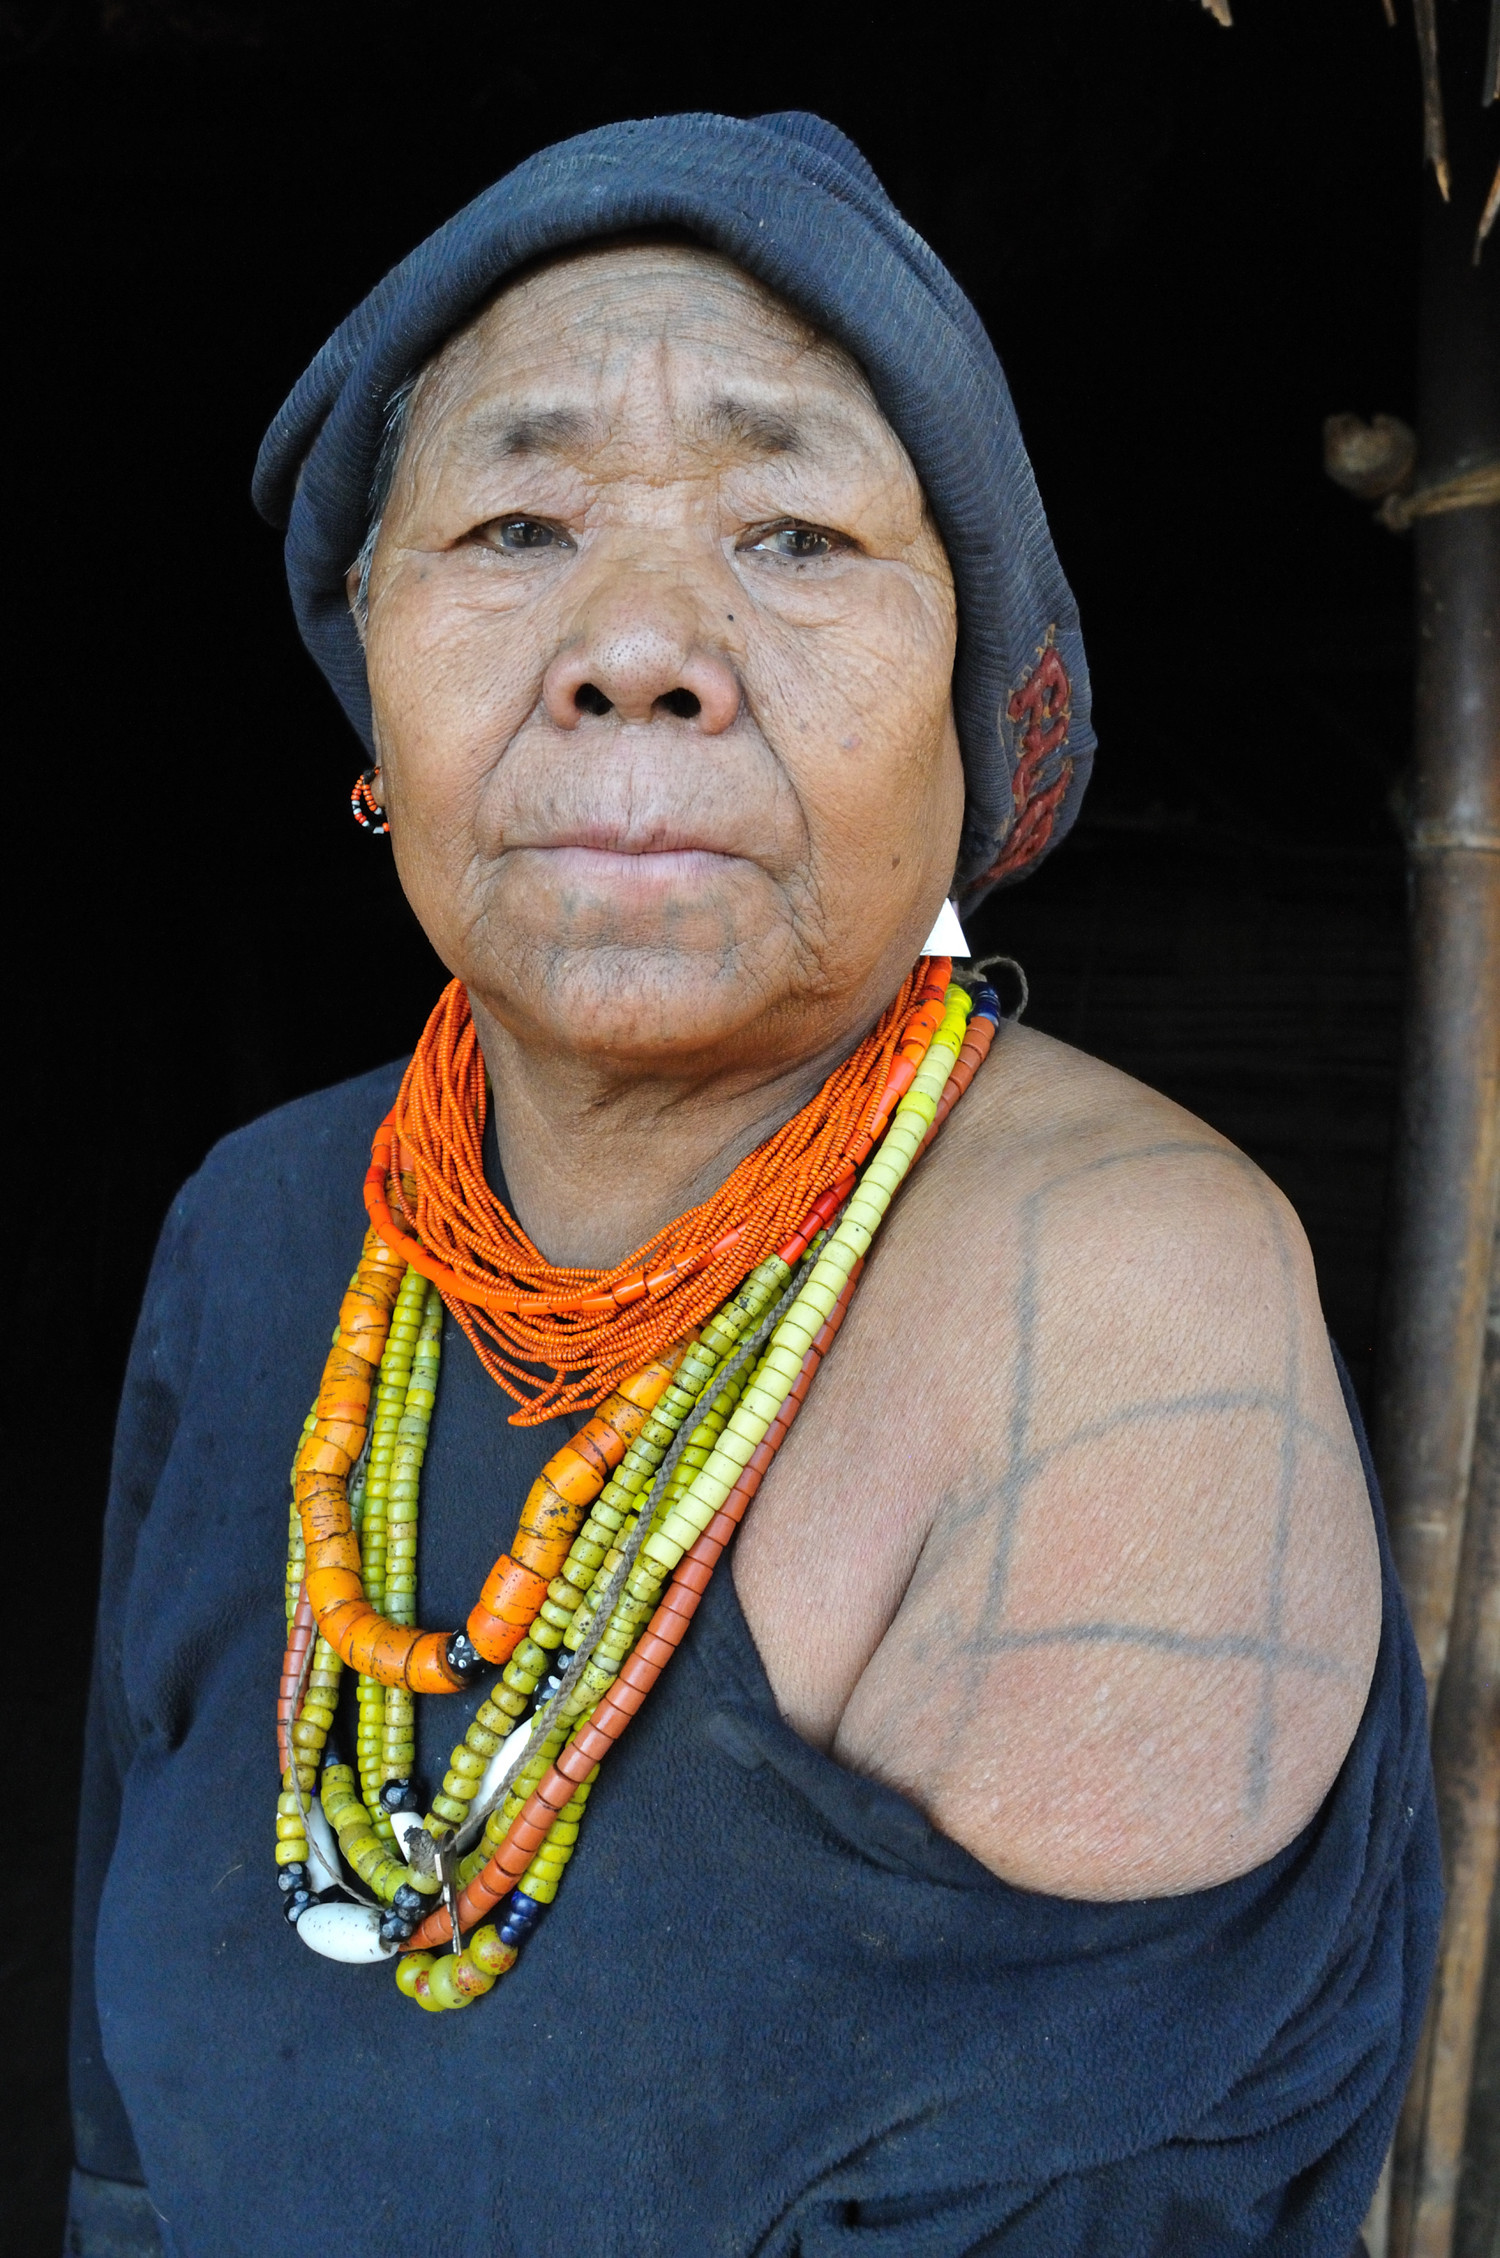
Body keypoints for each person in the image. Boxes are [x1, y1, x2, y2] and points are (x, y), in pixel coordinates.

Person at [67, 112, 1438, 2258]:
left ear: (970, 721)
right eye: (516, 524)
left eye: (793, 534)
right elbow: (128, 2147)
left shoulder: (1121, 1295)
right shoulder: (255, 1231)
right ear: (373, 695)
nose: (640, 644)